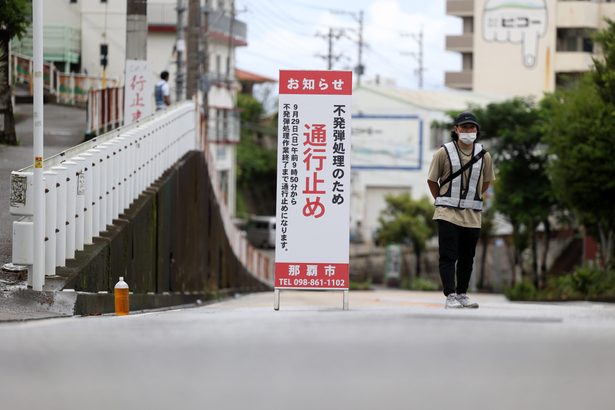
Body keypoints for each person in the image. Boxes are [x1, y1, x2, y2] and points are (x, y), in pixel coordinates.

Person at [427, 112, 495, 309]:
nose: (468, 131)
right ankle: (450, 295)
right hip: (447, 212)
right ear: (456, 130)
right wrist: (442, 200)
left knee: (467, 257)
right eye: (464, 127)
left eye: (471, 128)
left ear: (477, 131)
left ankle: (463, 294)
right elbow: (432, 180)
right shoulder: (443, 152)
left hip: (472, 214)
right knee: (448, 256)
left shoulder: (484, 155)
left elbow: (486, 182)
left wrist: (470, 198)